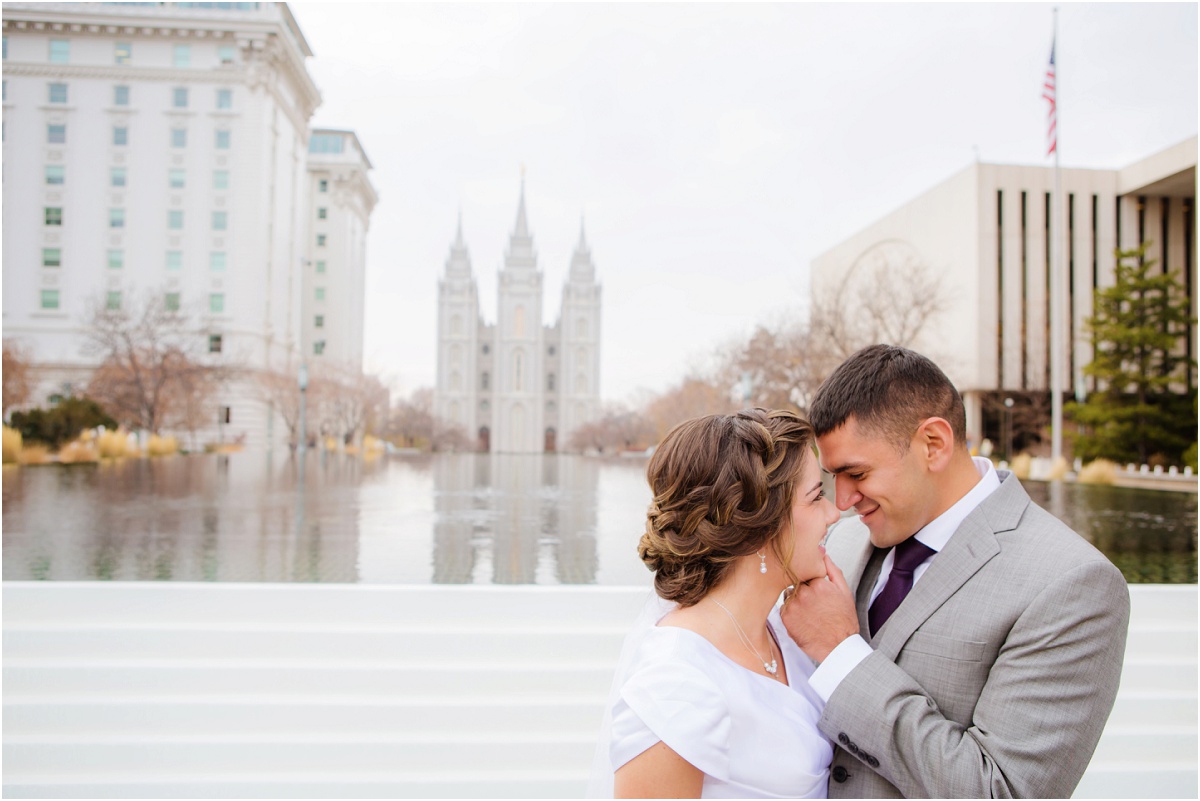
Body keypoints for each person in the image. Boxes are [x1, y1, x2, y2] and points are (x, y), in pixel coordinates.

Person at [781, 344, 1130, 799]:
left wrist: (840, 655)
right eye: (832, 477)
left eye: (857, 474)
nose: (843, 500)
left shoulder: (1072, 583)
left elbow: (1000, 790)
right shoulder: (844, 541)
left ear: (934, 444)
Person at [589, 408, 839, 798]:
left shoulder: (783, 628)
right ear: (760, 528)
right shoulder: (677, 682)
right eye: (816, 497)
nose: (835, 512)